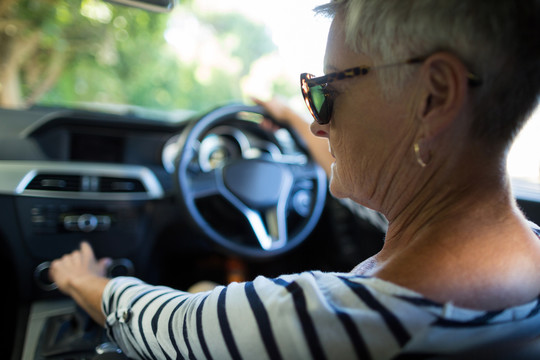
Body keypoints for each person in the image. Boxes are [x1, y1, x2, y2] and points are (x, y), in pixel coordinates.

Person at [50, 0, 540, 358]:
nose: (318, 123)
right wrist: (287, 117)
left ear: (433, 97)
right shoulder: (524, 253)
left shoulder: (337, 322)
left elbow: (167, 325)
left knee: (194, 292)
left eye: (326, 91)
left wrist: (87, 281)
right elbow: (382, 196)